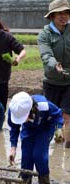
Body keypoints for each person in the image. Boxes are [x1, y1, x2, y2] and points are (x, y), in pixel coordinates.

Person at [8, 92, 63, 184]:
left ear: (31, 109)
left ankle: (44, 183)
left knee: (39, 155)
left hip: (45, 128)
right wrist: (13, 148)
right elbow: (14, 128)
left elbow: (57, 114)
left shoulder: (44, 105)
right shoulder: (13, 110)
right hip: (28, 129)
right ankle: (25, 183)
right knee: (26, 156)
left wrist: (59, 128)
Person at [38, 0, 70, 148]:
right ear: (52, 16)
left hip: (69, 81)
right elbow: (46, 55)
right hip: (51, 82)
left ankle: (67, 148)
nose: (64, 16)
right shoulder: (45, 34)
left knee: (66, 115)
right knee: (49, 116)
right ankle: (47, 143)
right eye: (60, 13)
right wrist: (54, 64)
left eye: (67, 13)